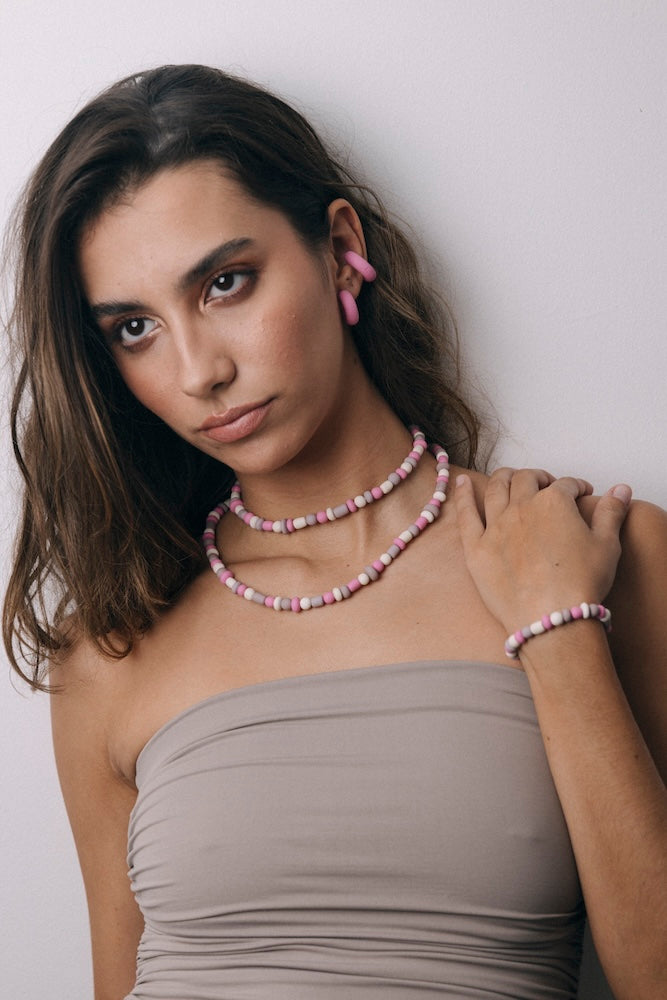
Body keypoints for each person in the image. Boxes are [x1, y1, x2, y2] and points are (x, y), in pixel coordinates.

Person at [3, 64, 665, 1000]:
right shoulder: (112, 644)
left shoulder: (596, 555)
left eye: (225, 283)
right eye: (134, 328)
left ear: (340, 248)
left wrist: (557, 634)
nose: (198, 371)